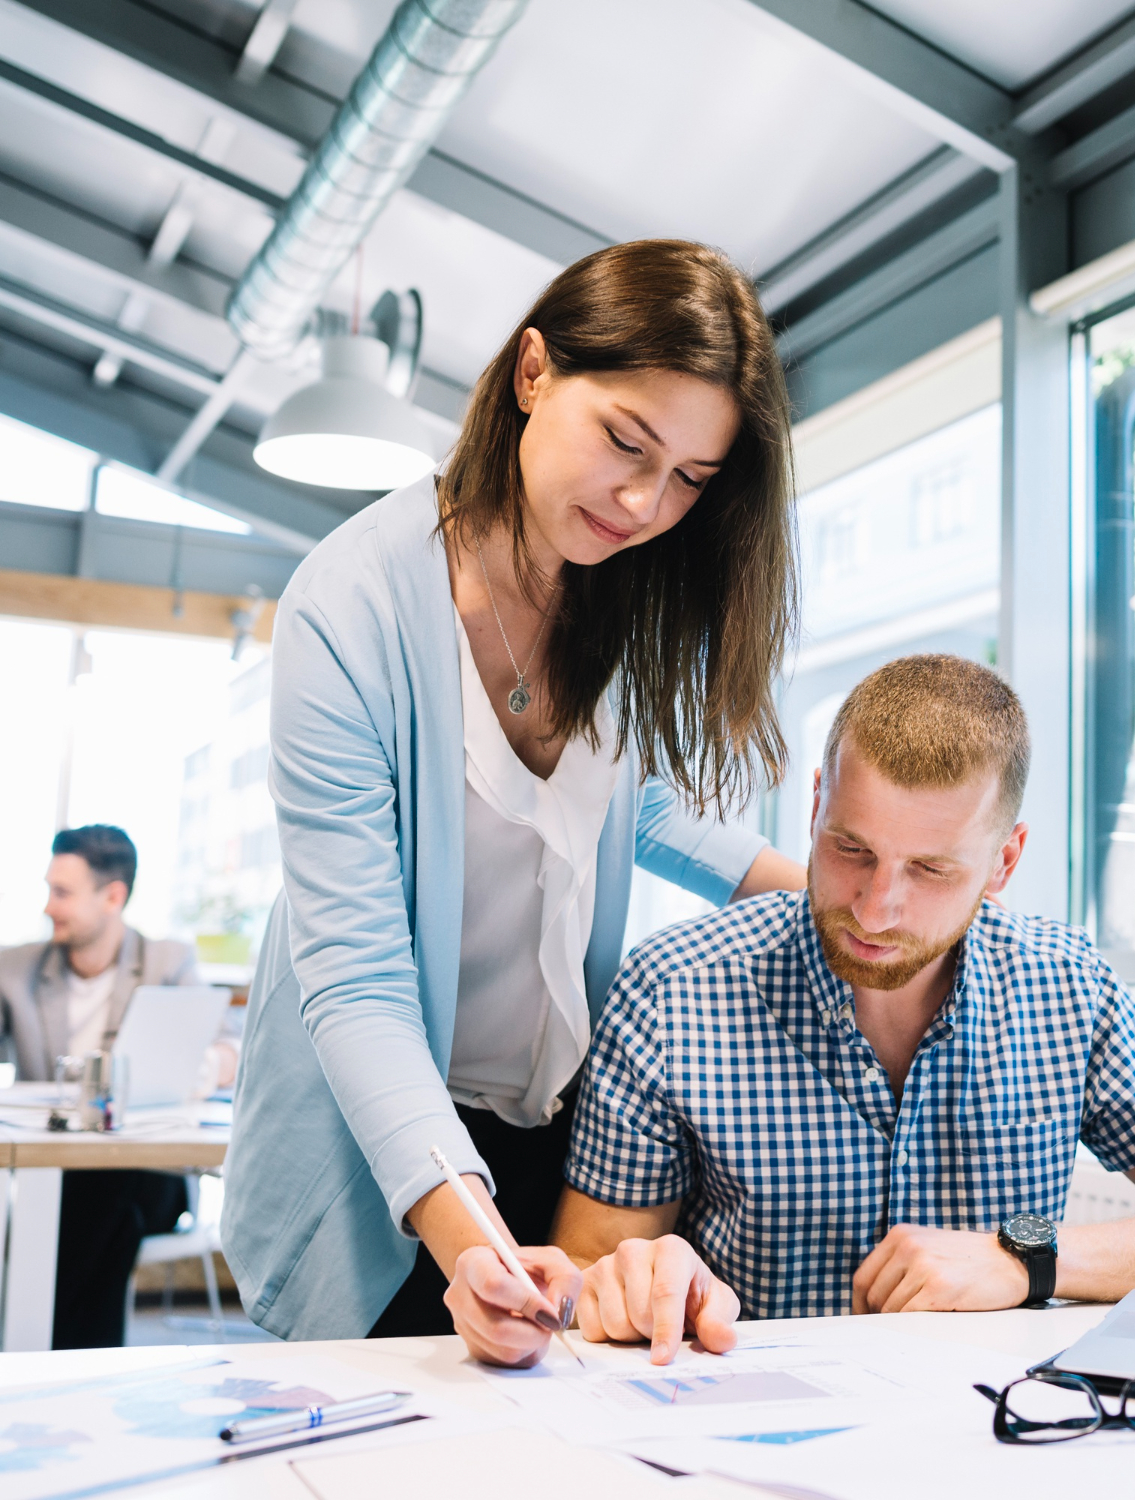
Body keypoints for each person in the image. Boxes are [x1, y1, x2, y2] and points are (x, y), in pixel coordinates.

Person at [222, 240, 806, 1361]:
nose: (645, 500)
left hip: (554, 1132)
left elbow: (621, 809)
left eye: (691, 478)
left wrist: (840, 890)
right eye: (627, 441)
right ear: (534, 373)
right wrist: (468, 1233)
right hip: (386, 1153)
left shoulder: (613, 593)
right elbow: (356, 981)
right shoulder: (351, 608)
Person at [553, 655, 1135, 1362]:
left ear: (1004, 863)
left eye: (930, 869)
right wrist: (641, 1282)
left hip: (994, 1442)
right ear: (816, 804)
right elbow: (584, 1277)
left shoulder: (1062, 987)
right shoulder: (673, 990)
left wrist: (1026, 1259)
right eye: (851, 849)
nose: (877, 909)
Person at [0, 824, 235, 1348]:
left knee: (98, 1197)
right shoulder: (17, 969)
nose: (48, 907)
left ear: (113, 896)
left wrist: (199, 1067)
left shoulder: (167, 962)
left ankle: (34, 1350)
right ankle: (77, 1361)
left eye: (61, 893)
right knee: (100, 1208)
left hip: (150, 1169)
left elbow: (229, 1050)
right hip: (55, 1168)